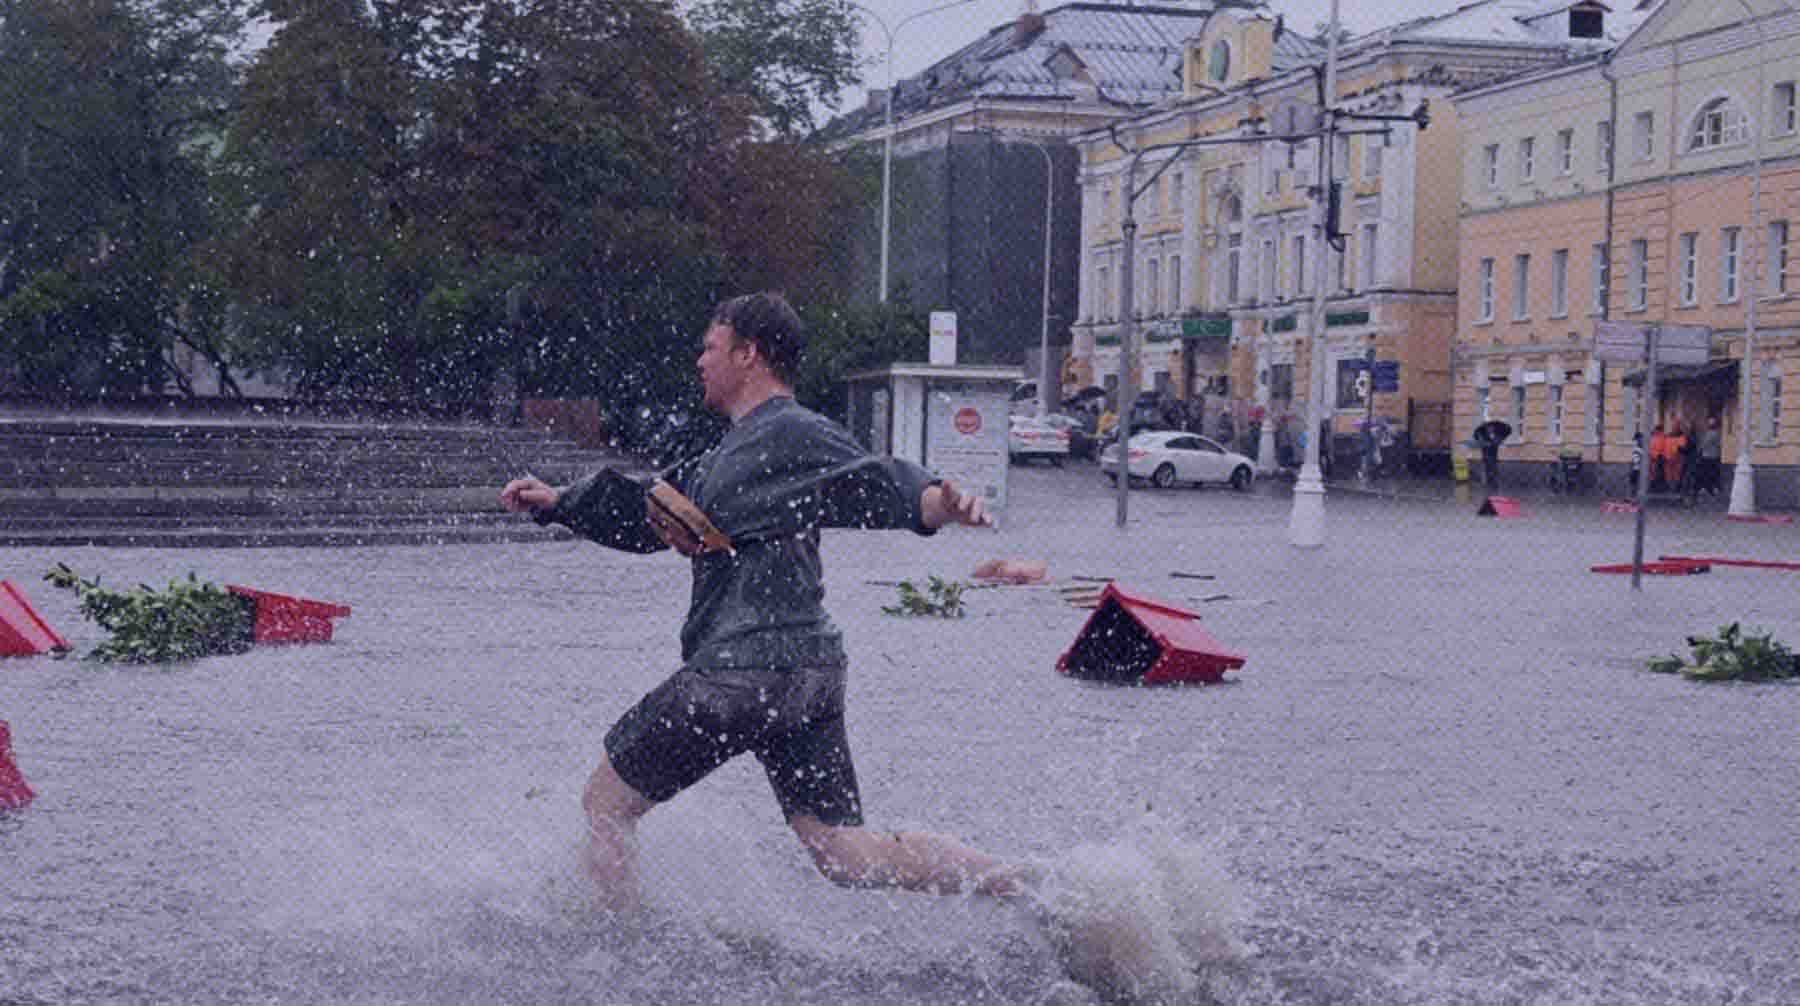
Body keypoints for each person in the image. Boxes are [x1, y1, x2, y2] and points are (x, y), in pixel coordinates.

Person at [501, 293, 1035, 910]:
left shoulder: (792, 429)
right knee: (842, 851)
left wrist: (942, 501)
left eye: (710, 346)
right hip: (808, 679)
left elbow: (879, 479)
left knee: (606, 802)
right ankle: (1020, 884)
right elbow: (650, 512)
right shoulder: (727, 454)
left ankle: (616, 950)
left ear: (748, 354)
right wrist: (560, 502)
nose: (699, 360)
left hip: (740, 673)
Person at [1698, 415, 1723, 497]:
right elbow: (1719, 445)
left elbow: (1704, 444)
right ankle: (1714, 488)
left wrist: (1700, 449)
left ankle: (1708, 489)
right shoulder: (1718, 434)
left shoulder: (1709, 434)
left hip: (1707, 456)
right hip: (1715, 456)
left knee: (1707, 473)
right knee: (1713, 473)